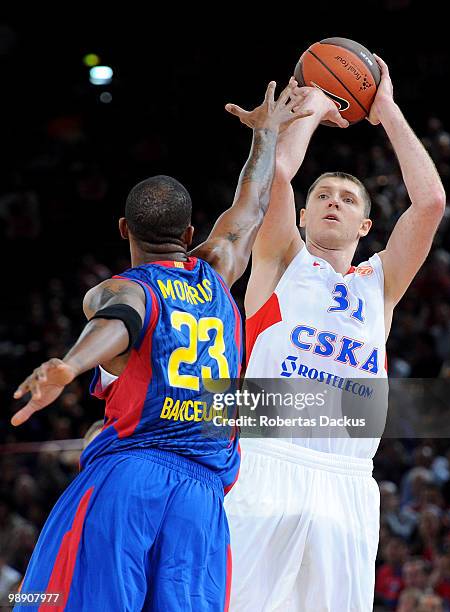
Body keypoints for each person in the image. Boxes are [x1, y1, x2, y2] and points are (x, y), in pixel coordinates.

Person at [10, 81, 313, 611]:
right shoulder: (219, 267)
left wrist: (70, 364)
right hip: (201, 498)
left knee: (46, 595)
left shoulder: (126, 287)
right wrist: (265, 133)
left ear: (124, 228)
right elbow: (253, 200)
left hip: (131, 477)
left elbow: (122, 318)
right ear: (192, 230)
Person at [224, 57, 446, 611]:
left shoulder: (382, 285)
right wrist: (315, 110)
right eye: (322, 195)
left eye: (347, 200)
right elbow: (275, 175)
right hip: (265, 458)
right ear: (302, 214)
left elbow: (431, 203)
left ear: (366, 226)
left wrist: (386, 110)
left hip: (348, 477)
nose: (333, 202)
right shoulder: (279, 259)